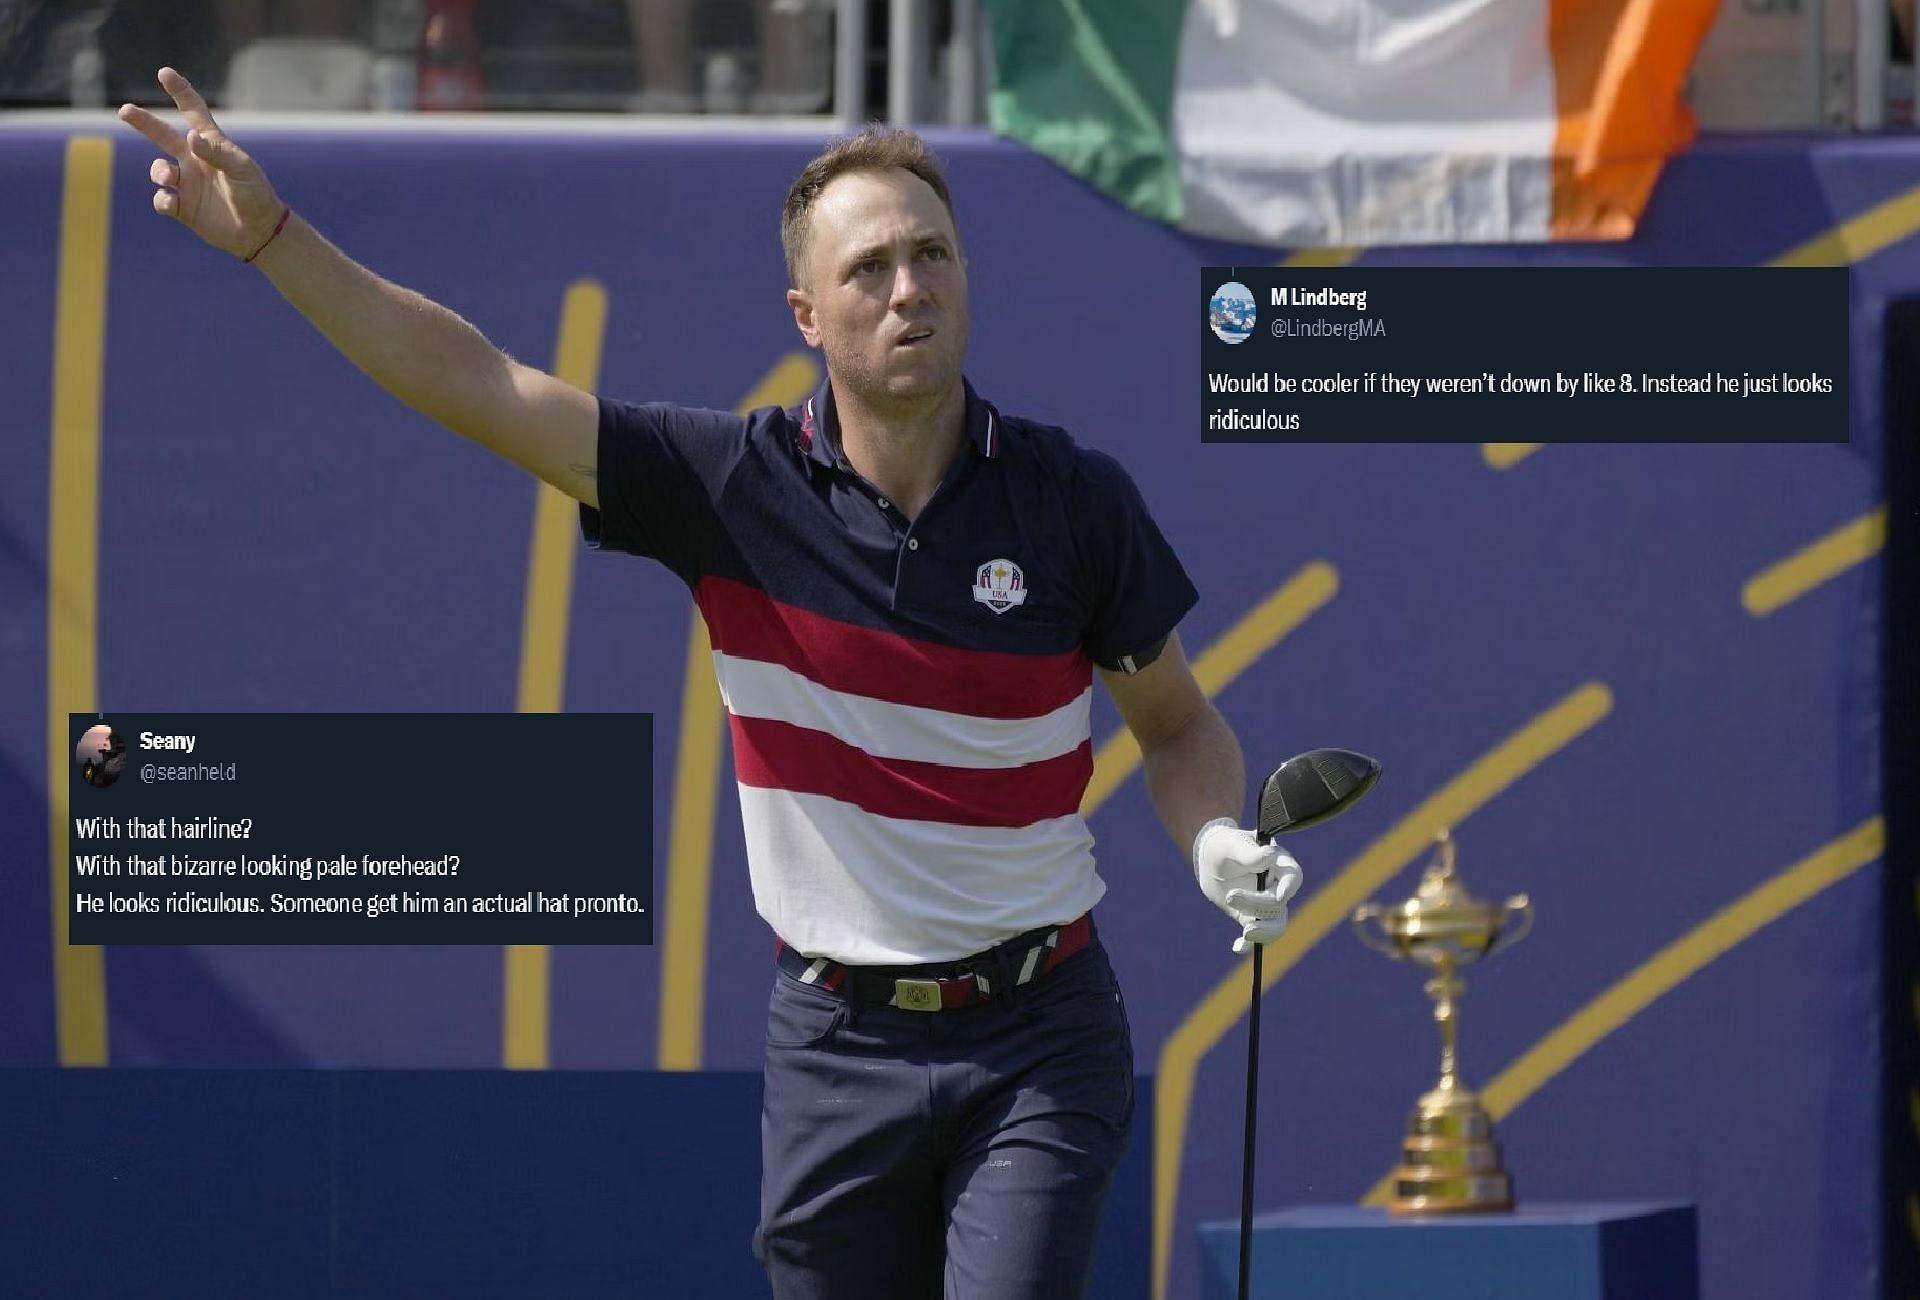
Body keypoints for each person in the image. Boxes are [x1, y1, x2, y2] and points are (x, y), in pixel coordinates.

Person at [117, 67, 1306, 1299]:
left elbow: (1176, 726)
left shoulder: (1074, 501)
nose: (912, 288)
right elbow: (474, 382)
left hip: (1040, 1031)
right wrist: (272, 238)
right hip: (836, 1045)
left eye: (933, 254)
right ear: (807, 313)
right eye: (871, 269)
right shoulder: (729, 486)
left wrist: (1218, 837)